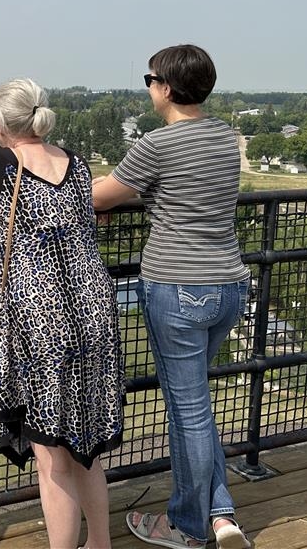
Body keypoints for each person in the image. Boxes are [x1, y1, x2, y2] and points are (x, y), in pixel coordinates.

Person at [0, 78, 124, 549]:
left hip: (41, 324)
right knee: (85, 449)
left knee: (52, 455)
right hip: (95, 312)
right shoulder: (76, 163)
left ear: (1, 122)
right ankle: (99, 544)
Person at [91, 45, 252, 549]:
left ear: (164, 87)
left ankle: (187, 525)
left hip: (178, 288)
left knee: (189, 411)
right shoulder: (227, 137)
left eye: (149, 78)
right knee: (196, 406)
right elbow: (185, 187)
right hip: (229, 284)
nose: (148, 87)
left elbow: (96, 195)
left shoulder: (156, 146)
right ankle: (222, 514)